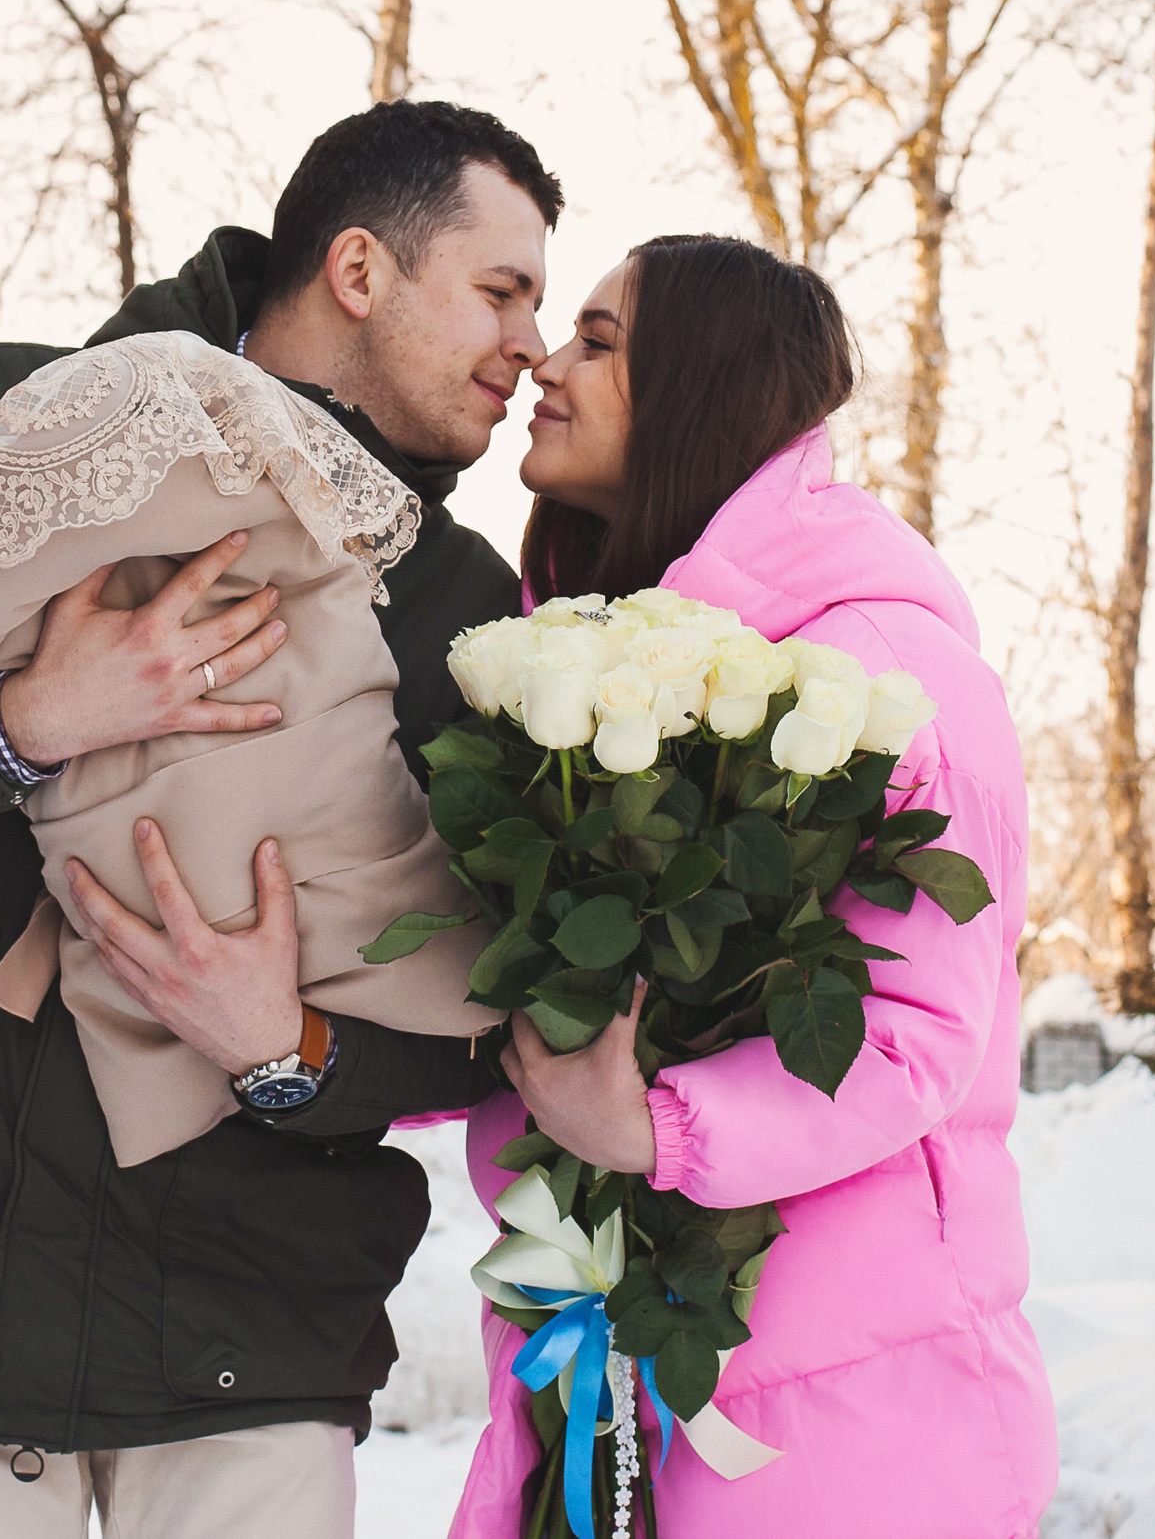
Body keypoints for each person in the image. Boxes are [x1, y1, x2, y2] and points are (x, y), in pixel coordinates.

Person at [0, 101, 560, 1539]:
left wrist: (288, 1054)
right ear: (359, 272)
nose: (530, 346)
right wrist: (25, 723)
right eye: (501, 291)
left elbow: (483, 1019)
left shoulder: (468, 614)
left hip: (246, 1325)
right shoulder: (2, 418)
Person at [449, 235, 1057, 1535]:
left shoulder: (888, 674)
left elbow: (915, 1038)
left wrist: (657, 1128)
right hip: (596, 1375)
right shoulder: (563, 679)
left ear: (702, 389)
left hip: (844, 1421)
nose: (545, 362)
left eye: (601, 342)